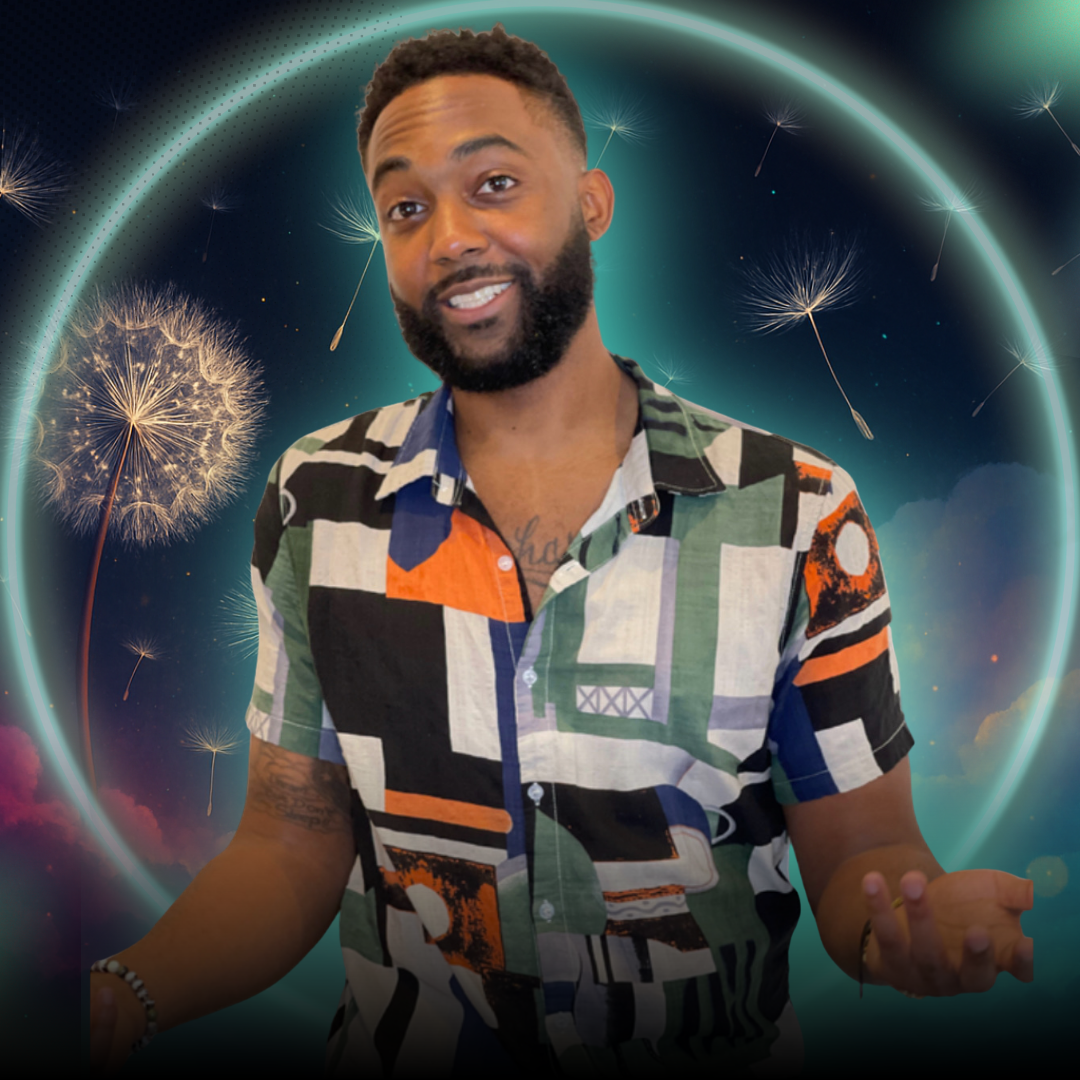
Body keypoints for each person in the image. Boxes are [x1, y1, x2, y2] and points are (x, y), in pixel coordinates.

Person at [89, 23, 1034, 1077]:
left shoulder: (799, 509)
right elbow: (287, 845)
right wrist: (131, 990)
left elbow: (863, 850)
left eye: (493, 183)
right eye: (406, 207)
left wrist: (907, 924)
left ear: (591, 203)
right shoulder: (319, 499)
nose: (448, 235)